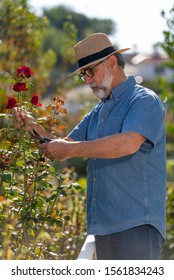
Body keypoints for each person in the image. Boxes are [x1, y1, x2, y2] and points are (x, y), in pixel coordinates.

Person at [14, 33, 166, 260]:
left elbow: (127, 144)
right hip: (103, 230)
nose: (86, 80)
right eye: (82, 75)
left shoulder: (143, 100)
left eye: (89, 71)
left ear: (112, 63)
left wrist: (70, 150)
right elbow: (62, 148)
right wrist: (32, 127)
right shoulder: (97, 113)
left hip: (136, 227)